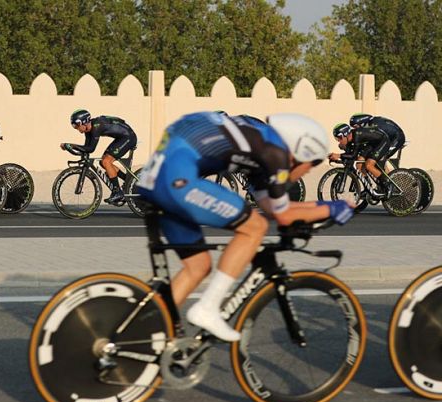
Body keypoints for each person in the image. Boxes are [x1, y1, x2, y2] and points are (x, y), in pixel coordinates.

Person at [137, 111, 353, 342]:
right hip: (178, 181)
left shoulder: (261, 147)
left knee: (197, 267)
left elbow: (273, 207)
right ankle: (208, 308)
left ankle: (146, 338)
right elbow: (282, 217)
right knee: (255, 227)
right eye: (312, 164)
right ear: (302, 151)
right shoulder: (276, 152)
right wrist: (334, 210)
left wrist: (323, 205)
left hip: (157, 180)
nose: (309, 170)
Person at [61, 109, 137, 205]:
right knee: (103, 162)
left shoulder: (96, 127)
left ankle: (117, 192)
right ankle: (129, 181)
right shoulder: (88, 130)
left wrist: (71, 145)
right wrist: (71, 148)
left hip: (128, 137)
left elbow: (90, 148)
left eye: (76, 125)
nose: (76, 128)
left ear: (84, 122)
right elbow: (86, 148)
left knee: (106, 161)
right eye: (73, 125)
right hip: (121, 138)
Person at [330, 114, 406, 197]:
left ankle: (388, 185)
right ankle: (368, 188)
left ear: (345, 134)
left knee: (369, 165)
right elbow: (353, 153)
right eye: (337, 139)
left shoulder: (358, 134)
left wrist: (339, 156)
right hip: (373, 143)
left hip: (384, 141)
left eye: (339, 139)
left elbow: (353, 155)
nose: (338, 141)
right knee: (359, 164)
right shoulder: (354, 135)